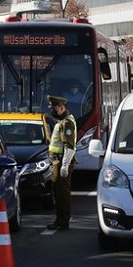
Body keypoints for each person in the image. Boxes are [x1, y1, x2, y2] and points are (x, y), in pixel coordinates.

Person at [47, 95, 77, 231]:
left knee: (63, 194)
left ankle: (63, 221)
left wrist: (65, 165)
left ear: (61, 107)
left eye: (54, 108)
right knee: (58, 193)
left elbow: (69, 146)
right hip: (57, 161)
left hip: (61, 161)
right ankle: (60, 220)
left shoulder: (66, 123)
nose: (52, 110)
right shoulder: (62, 121)